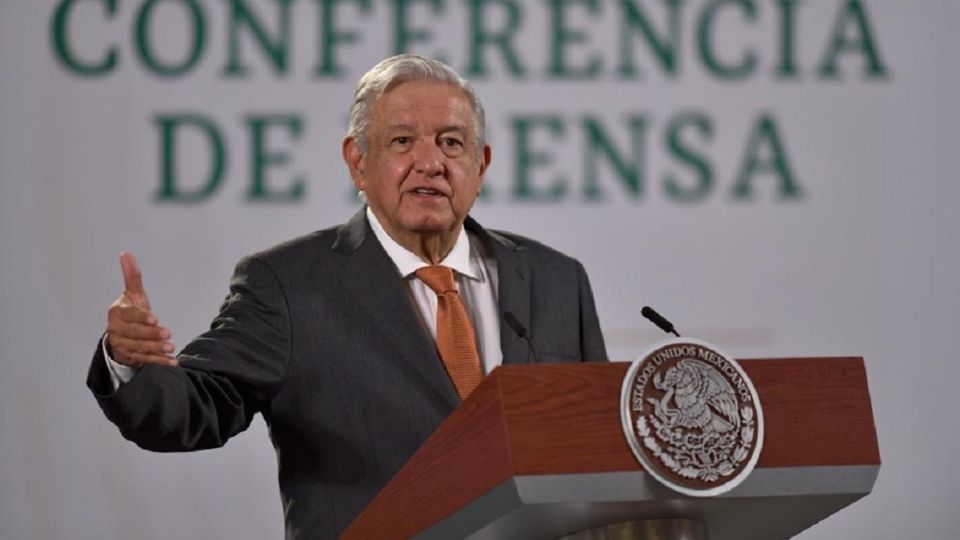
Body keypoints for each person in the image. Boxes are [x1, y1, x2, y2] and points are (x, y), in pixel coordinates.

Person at [88, 54, 607, 539]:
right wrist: (130, 364)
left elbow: (596, 458)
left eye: (451, 143)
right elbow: (194, 407)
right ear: (358, 162)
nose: (430, 162)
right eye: (403, 142)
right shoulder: (290, 285)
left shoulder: (556, 279)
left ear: (481, 165)